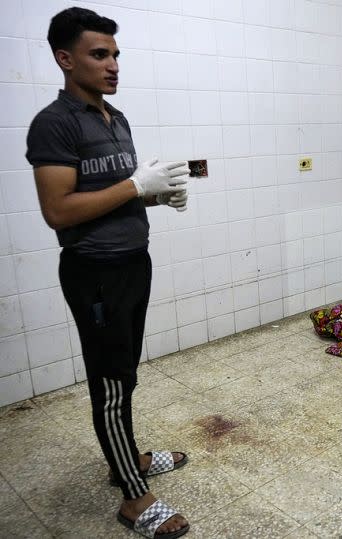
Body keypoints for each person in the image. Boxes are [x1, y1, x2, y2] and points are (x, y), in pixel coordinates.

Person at [26, 8, 191, 539]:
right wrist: (136, 188)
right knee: (112, 383)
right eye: (100, 55)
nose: (113, 65)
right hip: (93, 273)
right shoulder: (54, 124)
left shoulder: (113, 118)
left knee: (125, 370)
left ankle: (128, 456)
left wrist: (158, 196)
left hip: (131, 264)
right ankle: (132, 498)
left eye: (116, 54)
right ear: (65, 58)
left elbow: (111, 197)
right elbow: (59, 210)